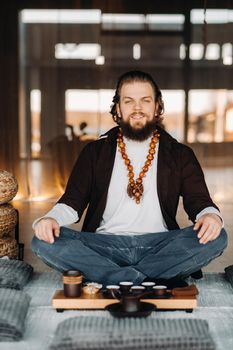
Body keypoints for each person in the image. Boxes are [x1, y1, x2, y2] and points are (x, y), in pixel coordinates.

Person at [31, 70, 227, 288]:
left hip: (159, 245)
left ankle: (113, 278)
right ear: (118, 108)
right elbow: (72, 201)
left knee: (218, 236)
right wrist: (50, 219)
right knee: (41, 239)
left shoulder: (180, 154)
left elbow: (198, 200)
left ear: (157, 107)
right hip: (103, 245)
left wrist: (211, 216)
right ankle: (150, 279)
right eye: (128, 101)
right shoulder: (94, 152)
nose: (137, 108)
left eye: (145, 100)